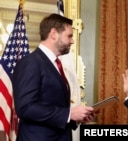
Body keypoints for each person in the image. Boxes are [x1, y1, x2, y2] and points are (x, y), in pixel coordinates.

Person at [12, 13, 95, 141]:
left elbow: (55, 106)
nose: (72, 40)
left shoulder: (56, 64)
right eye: (69, 36)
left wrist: (76, 118)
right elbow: (25, 108)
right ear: (54, 34)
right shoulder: (31, 62)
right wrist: (69, 114)